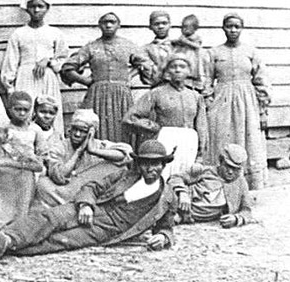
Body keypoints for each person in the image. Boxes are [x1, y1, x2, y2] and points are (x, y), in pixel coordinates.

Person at [0, 140, 177, 261]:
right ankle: (8, 237)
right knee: (51, 217)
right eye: (146, 164)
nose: (151, 169)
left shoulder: (167, 197)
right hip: (94, 209)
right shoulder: (125, 176)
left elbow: (166, 227)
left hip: (109, 228)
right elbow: (92, 187)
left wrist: (163, 237)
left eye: (156, 164)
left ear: (163, 165)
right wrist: (86, 205)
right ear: (139, 164)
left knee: (62, 240)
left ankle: (2, 249)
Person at [203, 13, 271, 190]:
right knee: (221, 137)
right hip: (222, 101)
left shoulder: (251, 52)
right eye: (229, 26)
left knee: (249, 137)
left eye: (236, 27)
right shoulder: (214, 53)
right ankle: (221, 183)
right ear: (223, 28)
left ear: (242, 28)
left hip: (246, 101)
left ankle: (248, 184)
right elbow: (207, 81)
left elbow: (261, 81)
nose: (233, 30)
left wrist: (263, 109)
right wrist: (209, 102)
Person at [61, 12, 150, 143]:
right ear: (99, 25)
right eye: (105, 22)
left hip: (122, 95)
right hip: (97, 95)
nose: (108, 25)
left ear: (118, 25)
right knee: (97, 128)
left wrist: (128, 77)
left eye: (112, 22)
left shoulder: (127, 45)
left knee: (123, 128)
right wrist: (85, 80)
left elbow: (144, 63)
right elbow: (67, 67)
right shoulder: (92, 47)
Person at [122, 54, 209, 178]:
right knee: (164, 175)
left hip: (189, 141)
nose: (178, 70)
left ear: (189, 71)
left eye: (182, 67)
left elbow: (201, 126)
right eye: (173, 67)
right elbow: (130, 118)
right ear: (167, 71)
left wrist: (200, 154)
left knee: (185, 177)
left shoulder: (195, 96)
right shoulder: (157, 93)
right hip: (166, 139)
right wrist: (152, 126)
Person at [0, 0, 68, 136]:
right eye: (32, 6)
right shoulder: (18, 34)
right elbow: (11, 61)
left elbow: (63, 60)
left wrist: (49, 61)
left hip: (47, 78)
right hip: (25, 78)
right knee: (26, 112)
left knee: (48, 112)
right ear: (26, 9)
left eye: (40, 6)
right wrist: (10, 88)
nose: (36, 10)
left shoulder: (55, 33)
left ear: (47, 8)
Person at [36, 109, 131, 208]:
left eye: (83, 131)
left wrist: (93, 151)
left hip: (91, 192)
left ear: (92, 132)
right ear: (70, 129)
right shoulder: (60, 146)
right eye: (75, 129)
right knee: (43, 184)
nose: (77, 134)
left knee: (116, 167)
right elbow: (59, 176)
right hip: (65, 191)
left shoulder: (99, 145)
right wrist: (78, 152)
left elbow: (126, 154)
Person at [169, 144, 254, 228]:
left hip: (191, 218)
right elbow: (174, 178)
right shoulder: (204, 171)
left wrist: (236, 218)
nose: (230, 172)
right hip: (177, 208)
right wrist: (183, 193)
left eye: (236, 169)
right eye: (227, 166)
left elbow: (247, 210)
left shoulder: (241, 183)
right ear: (220, 161)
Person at [6, 91, 48, 160]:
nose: (22, 113)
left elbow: (42, 153)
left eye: (26, 110)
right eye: (18, 109)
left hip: (31, 165)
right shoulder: (5, 128)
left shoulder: (35, 129)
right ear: (10, 109)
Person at [172, 14, 205, 92]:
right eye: (182, 27)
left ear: (194, 28)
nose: (184, 29)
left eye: (187, 27)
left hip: (193, 62)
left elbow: (197, 46)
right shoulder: (183, 38)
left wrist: (186, 42)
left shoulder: (196, 38)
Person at [141, 11, 174, 87]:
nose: (161, 26)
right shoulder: (145, 49)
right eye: (156, 24)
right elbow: (148, 76)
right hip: (158, 88)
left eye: (164, 23)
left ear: (170, 25)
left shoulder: (179, 47)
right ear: (150, 27)